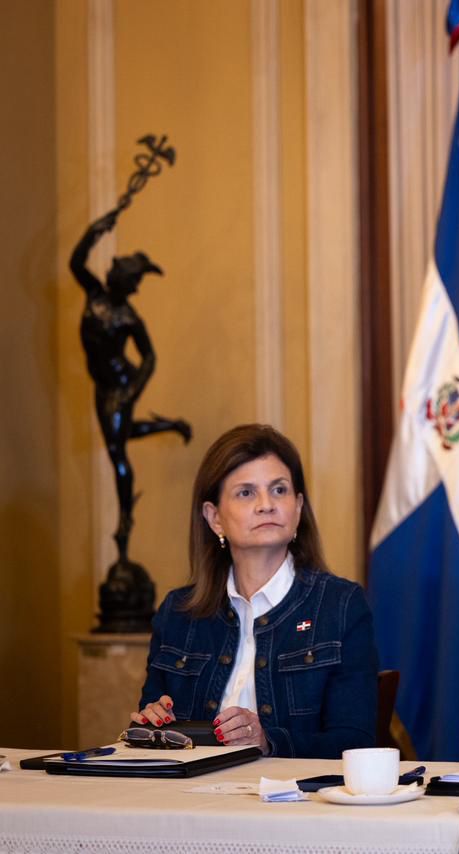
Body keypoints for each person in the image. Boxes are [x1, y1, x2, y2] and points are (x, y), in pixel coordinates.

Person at [133, 424, 378, 758]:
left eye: (279, 490)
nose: (266, 505)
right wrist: (152, 724)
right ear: (214, 518)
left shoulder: (341, 605)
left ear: (298, 507)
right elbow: (150, 735)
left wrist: (268, 741)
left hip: (294, 792)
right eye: (246, 493)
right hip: (194, 789)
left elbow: (355, 743)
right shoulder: (178, 612)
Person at [70, 208, 191, 561]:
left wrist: (131, 391)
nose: (135, 287)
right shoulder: (94, 293)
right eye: (133, 280)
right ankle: (170, 425)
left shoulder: (129, 317)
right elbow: (75, 262)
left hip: (119, 385)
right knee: (119, 437)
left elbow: (149, 356)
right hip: (102, 385)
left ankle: (124, 523)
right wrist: (97, 228)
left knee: (116, 452)